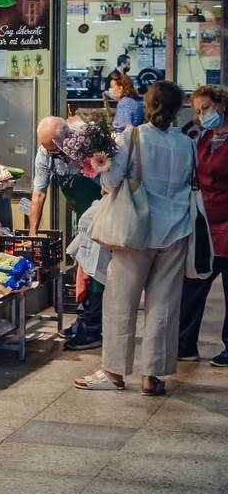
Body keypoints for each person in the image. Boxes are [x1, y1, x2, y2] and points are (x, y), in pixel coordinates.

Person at [75, 81, 194, 396]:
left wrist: (103, 172)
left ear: (148, 104)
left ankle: (114, 371)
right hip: (177, 229)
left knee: (121, 300)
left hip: (135, 230)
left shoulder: (134, 136)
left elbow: (112, 180)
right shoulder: (186, 143)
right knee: (165, 304)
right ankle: (152, 376)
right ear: (176, 109)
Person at [30, 116, 104, 350]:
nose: (50, 153)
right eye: (46, 149)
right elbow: (39, 193)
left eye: (54, 149)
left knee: (96, 273)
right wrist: (33, 232)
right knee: (83, 268)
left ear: (67, 139)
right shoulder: (45, 153)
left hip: (103, 216)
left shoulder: (88, 144)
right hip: (83, 217)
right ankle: (83, 320)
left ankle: (92, 328)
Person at [179, 84, 228, 367]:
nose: (202, 115)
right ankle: (185, 343)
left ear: (221, 104)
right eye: (198, 111)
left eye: (206, 108)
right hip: (204, 227)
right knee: (193, 287)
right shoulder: (202, 138)